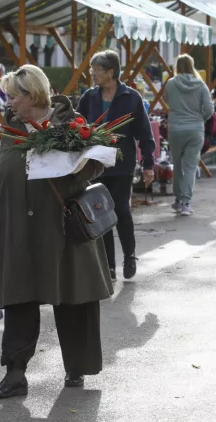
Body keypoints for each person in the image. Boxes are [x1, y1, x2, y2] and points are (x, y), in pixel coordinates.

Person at [0, 65, 113, 398]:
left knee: (73, 296)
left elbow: (97, 161)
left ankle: (78, 367)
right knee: (18, 300)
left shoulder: (70, 124)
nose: (9, 103)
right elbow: (0, 178)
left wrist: (76, 167)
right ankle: (15, 374)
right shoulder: (11, 129)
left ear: (33, 95)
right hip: (18, 229)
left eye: (13, 96)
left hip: (61, 227)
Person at [78, 51, 155, 281]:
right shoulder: (89, 97)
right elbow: (76, 124)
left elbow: (145, 133)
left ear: (110, 72)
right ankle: (108, 265)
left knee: (121, 209)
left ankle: (129, 256)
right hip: (95, 165)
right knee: (101, 214)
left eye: (96, 70)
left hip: (122, 164)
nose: (92, 74)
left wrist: (149, 164)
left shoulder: (131, 98)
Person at [164, 54, 215, 216]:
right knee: (190, 166)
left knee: (177, 164)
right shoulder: (201, 85)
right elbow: (209, 109)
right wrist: (200, 118)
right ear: (192, 66)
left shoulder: (171, 84)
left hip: (175, 129)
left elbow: (167, 100)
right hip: (195, 130)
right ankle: (186, 202)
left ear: (177, 67)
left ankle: (178, 200)